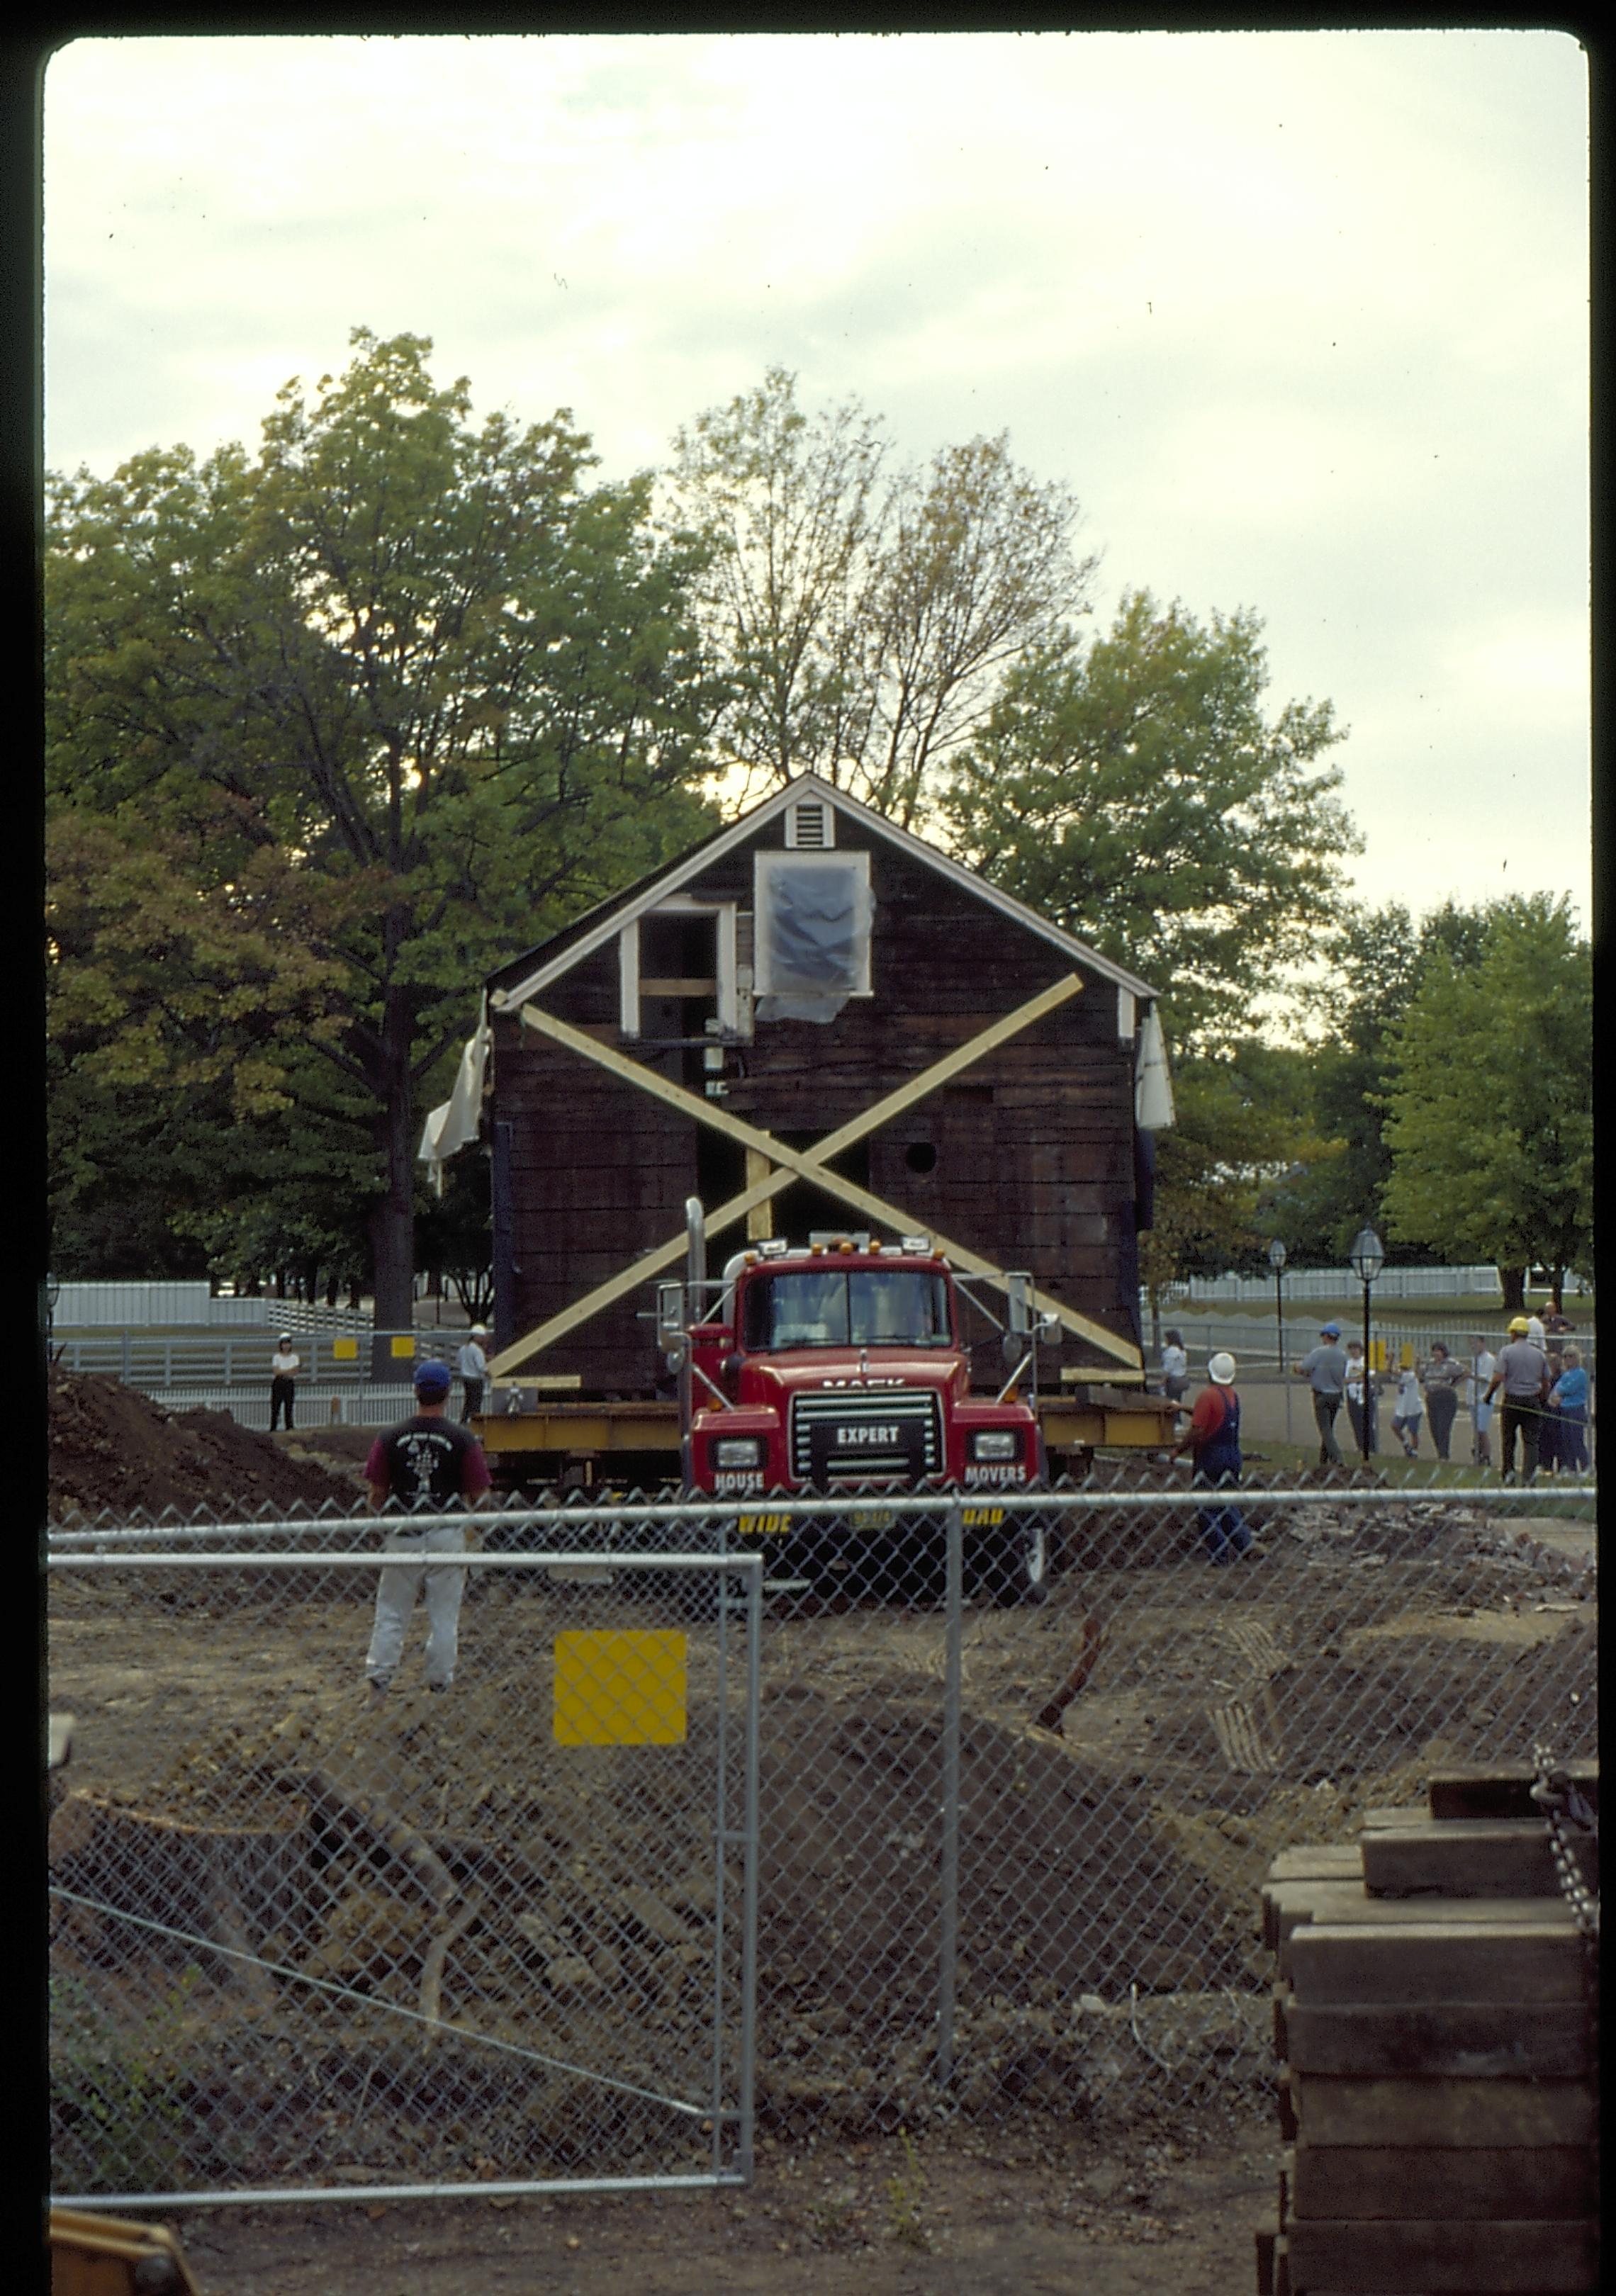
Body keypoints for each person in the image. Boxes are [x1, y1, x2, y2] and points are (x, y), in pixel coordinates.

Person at [364, 1357, 491, 1697]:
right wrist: (477, 1527)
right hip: (447, 1532)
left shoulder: (391, 1437)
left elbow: (376, 1492)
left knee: (391, 1610)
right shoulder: (463, 1439)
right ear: (449, 1393)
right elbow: (479, 1494)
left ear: (415, 1391)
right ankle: (439, 1684)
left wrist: (380, 1525)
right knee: (445, 1615)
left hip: (404, 1532)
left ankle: (380, 1680)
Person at [1169, 1350, 1253, 1565]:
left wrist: (1178, 1451)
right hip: (1233, 1455)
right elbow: (1211, 1415)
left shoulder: (1208, 1395)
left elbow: (1198, 1429)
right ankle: (1245, 1544)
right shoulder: (1232, 1396)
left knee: (1207, 1507)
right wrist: (1181, 1409)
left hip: (1211, 1457)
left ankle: (1220, 1555)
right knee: (1227, 1502)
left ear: (1210, 1371)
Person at [1485, 1317, 1551, 1486]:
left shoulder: (1506, 1352)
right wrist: (1543, 1400)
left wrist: (1489, 1395)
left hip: (1512, 1400)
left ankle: (1509, 1475)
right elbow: (1546, 1382)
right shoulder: (1539, 1354)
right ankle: (1529, 1479)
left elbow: (1498, 1377)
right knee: (1531, 1442)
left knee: (1508, 1440)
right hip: (1532, 1400)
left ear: (1513, 1333)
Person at [1293, 1322, 1348, 1467]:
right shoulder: (1342, 1355)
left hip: (1322, 1395)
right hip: (1336, 1395)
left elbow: (1304, 1368)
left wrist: (1296, 1368)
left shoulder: (1319, 1352)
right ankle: (1323, 1462)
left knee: (1325, 1429)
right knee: (1329, 1427)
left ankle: (1337, 1459)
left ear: (1326, 1336)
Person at [1420, 1343, 1464, 1461]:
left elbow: (1464, 1372)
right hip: (1432, 1397)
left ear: (1444, 1352)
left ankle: (1444, 1456)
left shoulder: (1451, 1364)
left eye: (1438, 1351)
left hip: (1446, 1397)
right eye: (1434, 1350)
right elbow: (1420, 1376)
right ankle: (1440, 1453)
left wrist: (1453, 1385)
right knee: (1434, 1427)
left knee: (1443, 1427)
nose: (1436, 1353)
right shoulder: (1429, 1365)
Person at [1549, 1346, 1590, 1474]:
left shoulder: (1581, 1373)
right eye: (1565, 1356)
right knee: (1566, 1440)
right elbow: (1556, 1389)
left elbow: (1567, 1389)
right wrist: (1557, 1394)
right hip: (1564, 1409)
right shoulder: (1566, 1374)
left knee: (1576, 1440)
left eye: (1571, 1356)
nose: (1568, 1359)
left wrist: (1559, 1393)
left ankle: (1586, 1467)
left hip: (1576, 1409)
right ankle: (1571, 1468)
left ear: (1577, 1358)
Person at [1345, 1339, 1379, 1456]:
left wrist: (1355, 1379)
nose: (1353, 1351)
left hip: (1365, 1394)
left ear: (1361, 1350)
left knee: (1368, 1423)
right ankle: (1360, 1446)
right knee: (1356, 1422)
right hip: (1352, 1395)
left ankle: (1372, 1448)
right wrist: (1355, 1379)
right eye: (1351, 1349)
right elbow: (1345, 1379)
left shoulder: (1366, 1361)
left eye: (1356, 1348)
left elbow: (1369, 1376)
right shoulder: (1348, 1363)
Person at [1468, 1334, 1498, 1468]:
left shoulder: (1490, 1359)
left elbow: (1486, 1378)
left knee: (1482, 1428)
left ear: (1482, 1343)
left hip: (1484, 1398)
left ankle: (1486, 1454)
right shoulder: (1475, 1359)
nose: (1474, 1346)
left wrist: (1470, 1375)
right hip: (1473, 1398)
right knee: (1475, 1428)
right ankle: (1478, 1451)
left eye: (1476, 1343)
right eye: (1472, 1344)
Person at [1389, 1364, 1424, 1458]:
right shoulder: (1400, 1377)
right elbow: (1391, 1373)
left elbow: (1394, 1371)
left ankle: (1414, 1451)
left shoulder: (1411, 1375)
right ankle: (1406, 1445)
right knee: (1395, 1426)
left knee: (1413, 1431)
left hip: (1413, 1408)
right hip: (1402, 1408)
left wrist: (1391, 1362)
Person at [269, 1332, 301, 1431]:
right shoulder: (276, 1357)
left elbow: (295, 1372)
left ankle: (289, 1428)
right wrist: (289, 1370)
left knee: (289, 1407)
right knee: (275, 1407)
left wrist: (283, 1371)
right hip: (278, 1383)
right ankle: (273, 1428)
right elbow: (276, 1372)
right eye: (284, 1344)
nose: (286, 1346)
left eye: (288, 1343)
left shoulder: (295, 1357)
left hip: (289, 1383)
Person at [457, 1324, 489, 1422]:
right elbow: (482, 1367)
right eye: (482, 1337)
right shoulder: (477, 1350)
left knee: (468, 1403)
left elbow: (458, 1361)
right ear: (476, 1337)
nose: (484, 1339)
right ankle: (475, 1425)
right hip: (476, 1379)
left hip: (466, 1378)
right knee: (476, 1404)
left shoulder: (463, 1348)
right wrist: (491, 1374)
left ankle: (463, 1422)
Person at [1160, 1329, 1189, 1404]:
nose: (1165, 1340)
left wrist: (1163, 1380)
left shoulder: (1172, 1350)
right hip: (1181, 1378)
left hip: (1173, 1380)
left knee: (1170, 1401)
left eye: (1166, 1338)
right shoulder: (1182, 1350)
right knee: (1177, 1401)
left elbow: (1168, 1367)